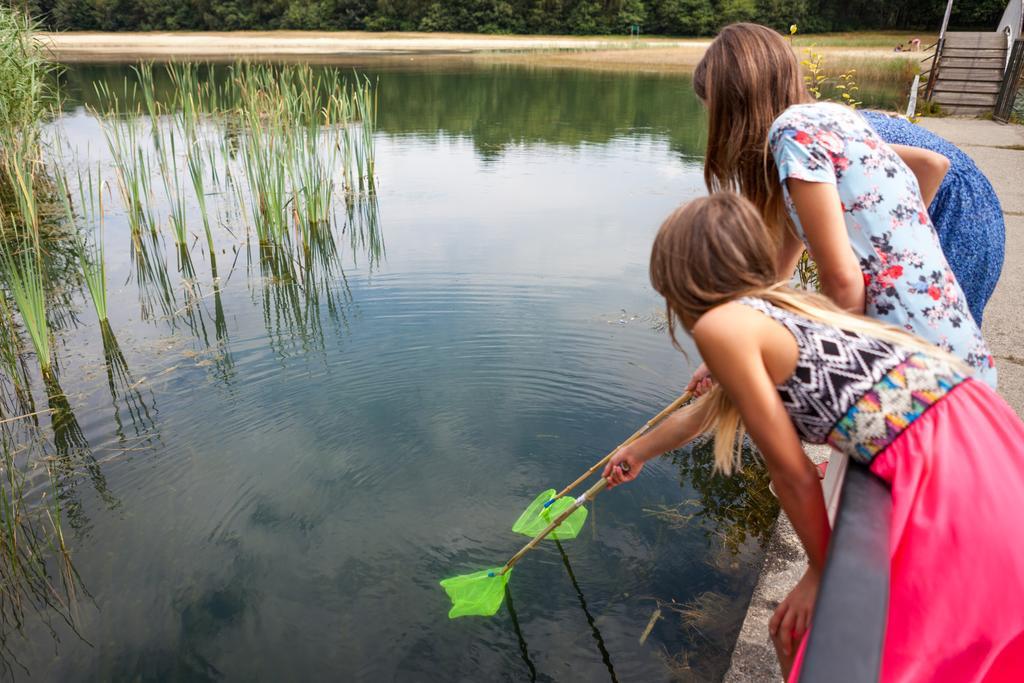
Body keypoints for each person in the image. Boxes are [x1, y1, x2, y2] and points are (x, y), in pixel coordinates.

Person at [603, 193, 1024, 681]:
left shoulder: (724, 326)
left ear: (681, 280)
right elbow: (708, 413)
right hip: (974, 428)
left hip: (936, 464)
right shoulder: (783, 305)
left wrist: (821, 571)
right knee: (795, 633)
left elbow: (792, 473)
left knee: (886, 648)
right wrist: (637, 450)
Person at [690, 23, 996, 390]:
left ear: (736, 104)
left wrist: (830, 376)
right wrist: (729, 348)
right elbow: (779, 271)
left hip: (911, 367)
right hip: (955, 348)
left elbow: (843, 280)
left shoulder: (792, 134)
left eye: (715, 114)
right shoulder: (834, 118)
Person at [863, 110, 1005, 325]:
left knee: (937, 322)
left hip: (959, 215)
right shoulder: (833, 118)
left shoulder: (820, 139)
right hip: (971, 197)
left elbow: (934, 165)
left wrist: (902, 241)